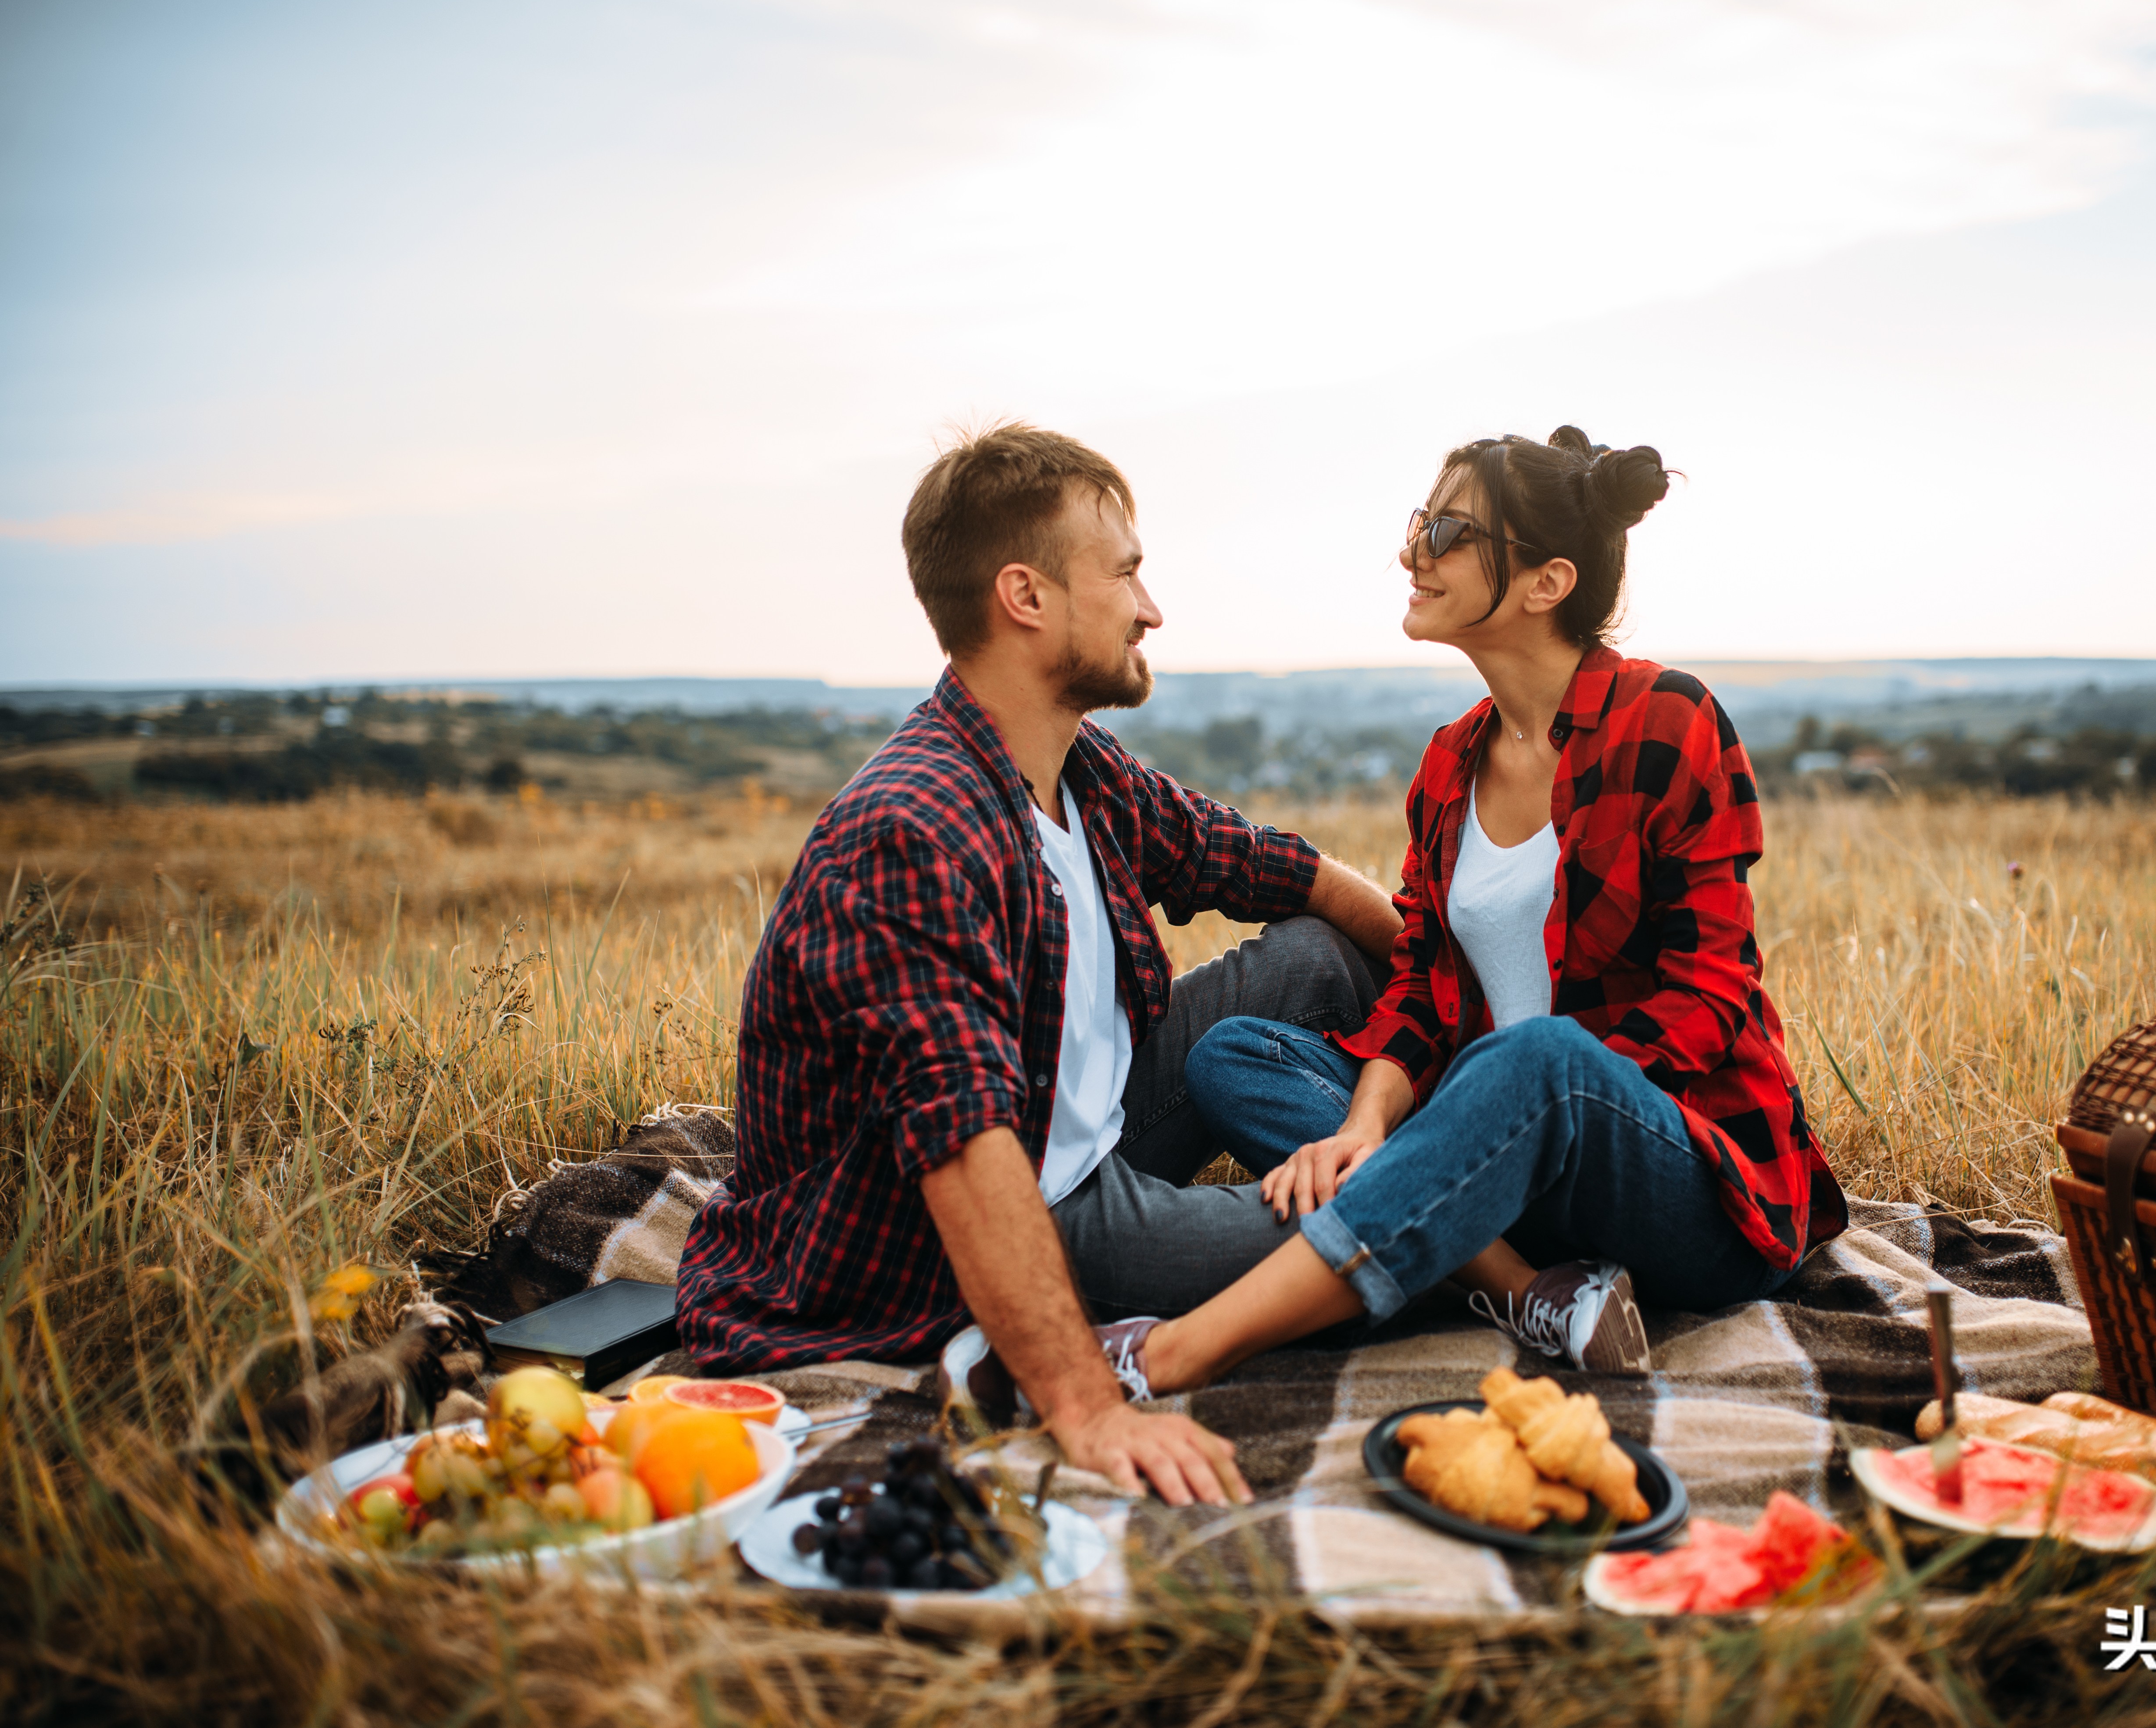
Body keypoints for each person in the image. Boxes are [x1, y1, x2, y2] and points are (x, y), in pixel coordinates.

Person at [941, 425, 1847, 1410]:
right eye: (1421, 523)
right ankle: (1520, 1284)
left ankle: (1173, 1355)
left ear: (1546, 582)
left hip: (1680, 1174)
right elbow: (1419, 978)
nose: (1415, 553)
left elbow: (1710, 996)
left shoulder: (1668, 720)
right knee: (1234, 1056)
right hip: (1511, 1157)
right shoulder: (1450, 764)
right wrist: (1369, 1124)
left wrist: (1490, 1103)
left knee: (1530, 1060)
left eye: (1450, 531)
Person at [673, 423, 1402, 1507]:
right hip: (1003, 1208)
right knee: (1401, 1230)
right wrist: (1084, 1406)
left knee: (1321, 954)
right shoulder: (913, 826)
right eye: (1125, 575)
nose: (1150, 609)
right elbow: (967, 1153)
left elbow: (1270, 867)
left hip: (1083, 1115)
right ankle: (1471, 1208)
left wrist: (1449, 1008)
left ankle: (1385, 1137)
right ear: (1026, 597)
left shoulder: (1074, 766)